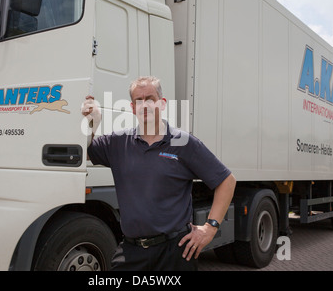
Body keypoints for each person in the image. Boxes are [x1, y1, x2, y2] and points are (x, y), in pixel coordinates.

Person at [82, 76, 236, 271]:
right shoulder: (117, 143)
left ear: (162, 104)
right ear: (132, 107)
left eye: (150, 99)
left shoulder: (184, 143)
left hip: (176, 251)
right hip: (132, 252)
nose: (144, 105)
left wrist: (210, 228)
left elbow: (226, 181)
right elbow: (82, 152)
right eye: (139, 100)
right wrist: (91, 123)